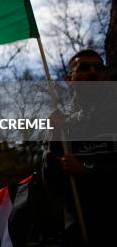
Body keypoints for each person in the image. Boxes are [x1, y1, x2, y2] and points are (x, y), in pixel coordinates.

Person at [42, 49, 117, 246]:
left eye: (98, 68)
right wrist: (54, 137)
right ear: (70, 79)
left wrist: (87, 170)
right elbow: (52, 182)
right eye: (84, 67)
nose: (93, 72)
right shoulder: (64, 126)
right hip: (80, 231)